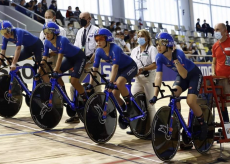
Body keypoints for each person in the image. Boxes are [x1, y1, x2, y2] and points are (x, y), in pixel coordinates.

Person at [149, 32, 208, 141]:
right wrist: (155, 95)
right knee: (173, 95)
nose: (158, 46)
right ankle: (179, 121)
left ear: (168, 45)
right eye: (157, 44)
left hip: (193, 75)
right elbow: (158, 76)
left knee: (190, 101)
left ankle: (203, 124)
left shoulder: (178, 53)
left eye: (161, 44)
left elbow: (185, 74)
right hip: (182, 76)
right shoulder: (159, 57)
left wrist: (175, 60)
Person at [87, 28, 138, 118]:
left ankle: (130, 106)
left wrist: (110, 82)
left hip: (130, 67)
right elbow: (94, 68)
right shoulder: (98, 51)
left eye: (101, 39)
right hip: (120, 70)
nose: (98, 42)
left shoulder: (115, 48)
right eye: (96, 39)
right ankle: (124, 111)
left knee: (119, 83)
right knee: (114, 94)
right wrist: (91, 84)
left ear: (107, 39)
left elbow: (115, 67)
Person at [40, 22, 87, 111]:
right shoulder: (46, 42)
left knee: (73, 81)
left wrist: (56, 70)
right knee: (57, 77)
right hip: (69, 58)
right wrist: (39, 72)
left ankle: (85, 98)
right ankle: (64, 96)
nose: (46, 35)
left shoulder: (62, 40)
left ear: (55, 33)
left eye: (48, 32)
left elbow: (60, 58)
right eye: (45, 33)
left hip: (79, 57)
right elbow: (44, 59)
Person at [67, 11, 100, 123]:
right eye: (80, 18)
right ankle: (75, 114)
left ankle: (98, 113)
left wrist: (90, 61)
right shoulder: (80, 32)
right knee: (73, 85)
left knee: (96, 88)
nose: (81, 20)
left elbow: (98, 48)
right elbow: (76, 48)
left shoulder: (96, 30)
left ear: (89, 18)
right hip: (82, 61)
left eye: (84, 18)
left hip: (93, 62)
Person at [127, 29, 157, 135]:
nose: (139, 38)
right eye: (138, 36)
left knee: (150, 104)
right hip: (138, 79)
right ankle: (135, 127)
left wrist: (143, 69)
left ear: (147, 38)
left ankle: (154, 129)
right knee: (133, 101)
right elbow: (131, 63)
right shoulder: (135, 50)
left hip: (148, 78)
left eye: (142, 36)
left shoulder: (152, 49)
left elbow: (155, 64)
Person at [39, 9, 66, 83]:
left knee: (56, 76)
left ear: (54, 18)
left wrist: (50, 54)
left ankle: (62, 90)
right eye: (46, 17)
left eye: (49, 17)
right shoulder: (42, 31)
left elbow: (61, 48)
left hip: (56, 56)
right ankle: (48, 88)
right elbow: (41, 44)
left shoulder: (61, 30)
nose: (47, 19)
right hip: (46, 55)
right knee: (41, 72)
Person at [212, 23, 230, 123]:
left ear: (224, 31)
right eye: (214, 30)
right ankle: (227, 126)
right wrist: (213, 72)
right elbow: (213, 62)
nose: (215, 32)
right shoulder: (215, 45)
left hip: (229, 79)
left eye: (218, 29)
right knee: (222, 104)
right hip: (220, 80)